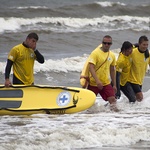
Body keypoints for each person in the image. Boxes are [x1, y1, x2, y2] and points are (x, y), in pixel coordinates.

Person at [87, 35, 119, 111]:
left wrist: (114, 85)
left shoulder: (112, 55)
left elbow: (112, 70)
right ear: (102, 43)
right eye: (105, 43)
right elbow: (90, 67)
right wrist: (97, 81)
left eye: (109, 43)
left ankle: (116, 120)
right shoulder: (95, 53)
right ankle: (89, 120)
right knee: (89, 105)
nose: (106, 45)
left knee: (113, 102)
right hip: (93, 83)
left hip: (105, 83)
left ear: (111, 44)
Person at [127, 35, 150, 102]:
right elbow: (123, 56)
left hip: (140, 80)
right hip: (131, 79)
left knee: (135, 100)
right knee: (140, 97)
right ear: (139, 44)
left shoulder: (147, 54)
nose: (145, 46)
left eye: (147, 45)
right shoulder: (133, 52)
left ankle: (130, 111)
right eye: (143, 44)